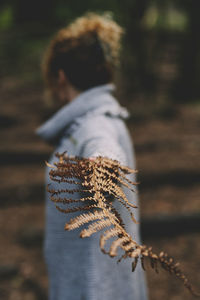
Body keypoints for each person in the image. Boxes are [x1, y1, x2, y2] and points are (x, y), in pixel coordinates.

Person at [37, 13, 148, 300]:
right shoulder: (95, 121)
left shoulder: (94, 125)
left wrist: (102, 170)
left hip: (96, 288)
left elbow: (105, 152)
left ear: (60, 77)